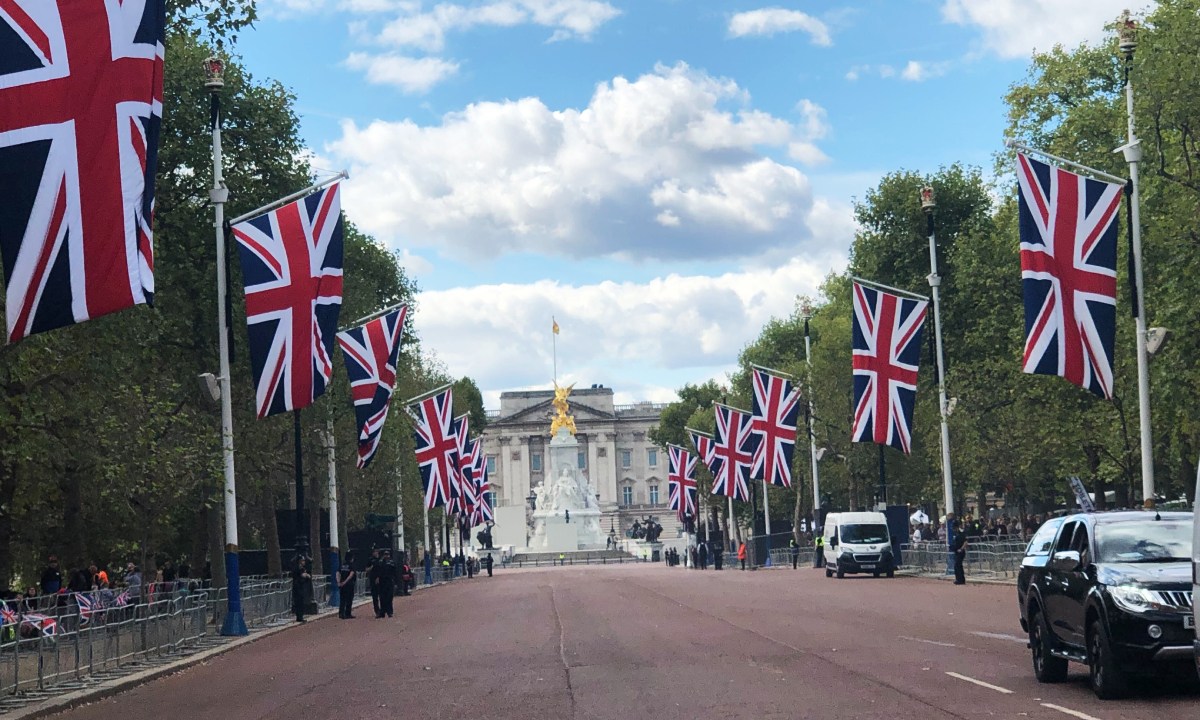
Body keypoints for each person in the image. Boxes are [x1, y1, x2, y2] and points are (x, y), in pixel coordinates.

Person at [292, 556, 311, 623]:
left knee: (301, 602)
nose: (304, 562)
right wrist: (306, 576)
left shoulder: (302, 568)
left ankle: (301, 616)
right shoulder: (298, 568)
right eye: (303, 560)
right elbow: (301, 576)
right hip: (298, 588)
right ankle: (299, 617)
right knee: (299, 603)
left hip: (301, 587)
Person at [378, 551, 396, 618]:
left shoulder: (392, 562)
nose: (386, 556)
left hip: (389, 581)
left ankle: (389, 612)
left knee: (389, 597)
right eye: (385, 554)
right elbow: (378, 571)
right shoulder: (381, 562)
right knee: (382, 597)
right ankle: (382, 612)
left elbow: (395, 572)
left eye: (387, 554)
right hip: (382, 581)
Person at [367, 549, 382, 616]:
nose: (375, 553)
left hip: (380, 579)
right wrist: (371, 567)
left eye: (376, 551)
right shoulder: (370, 560)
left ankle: (383, 609)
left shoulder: (380, 560)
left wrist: (379, 577)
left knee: (382, 596)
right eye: (374, 552)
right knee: (375, 597)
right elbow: (366, 569)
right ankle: (377, 611)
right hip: (372, 579)